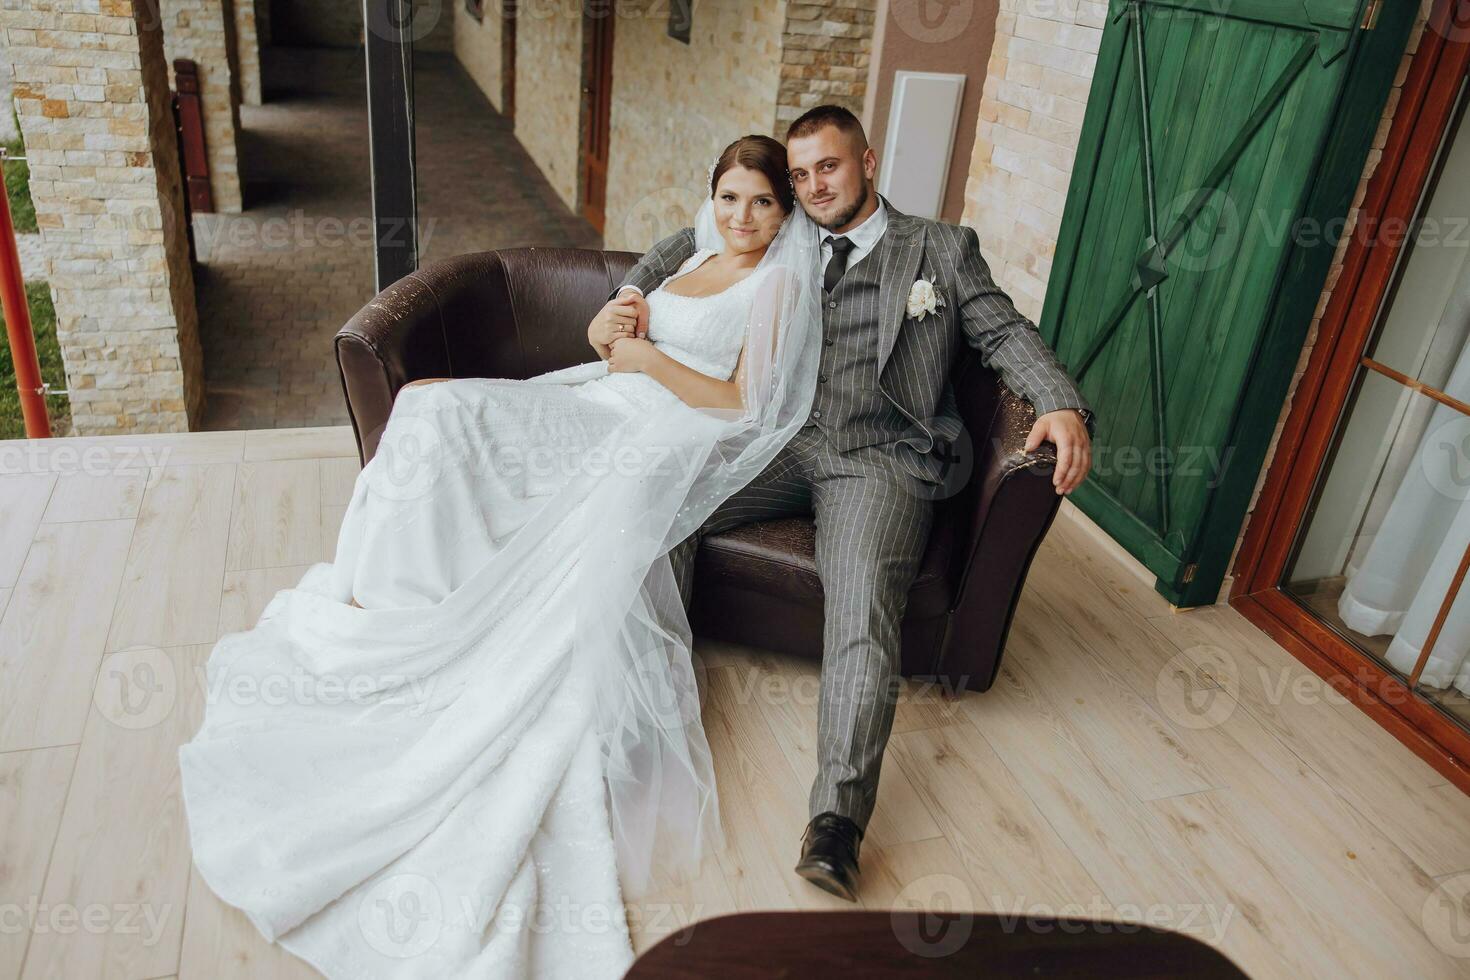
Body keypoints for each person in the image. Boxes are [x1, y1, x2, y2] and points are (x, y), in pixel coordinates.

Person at [178, 134, 824, 979]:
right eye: (731, 197)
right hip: (607, 392)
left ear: (784, 213)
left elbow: (743, 402)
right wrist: (611, 331)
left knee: (440, 418)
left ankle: (415, 623)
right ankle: (399, 599)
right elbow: (619, 337)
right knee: (422, 409)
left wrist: (645, 357)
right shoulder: (695, 253)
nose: (742, 216)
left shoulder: (776, 282)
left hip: (650, 430)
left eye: (763, 203)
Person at [613, 105, 1095, 903]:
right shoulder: (788, 220)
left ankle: (836, 820)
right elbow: (681, 241)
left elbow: (1003, 331)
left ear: (867, 161)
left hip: (878, 457)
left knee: (863, 602)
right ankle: (647, 716)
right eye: (798, 176)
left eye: (826, 168)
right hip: (779, 440)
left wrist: (1060, 399)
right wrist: (630, 293)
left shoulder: (939, 248)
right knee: (663, 509)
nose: (810, 187)